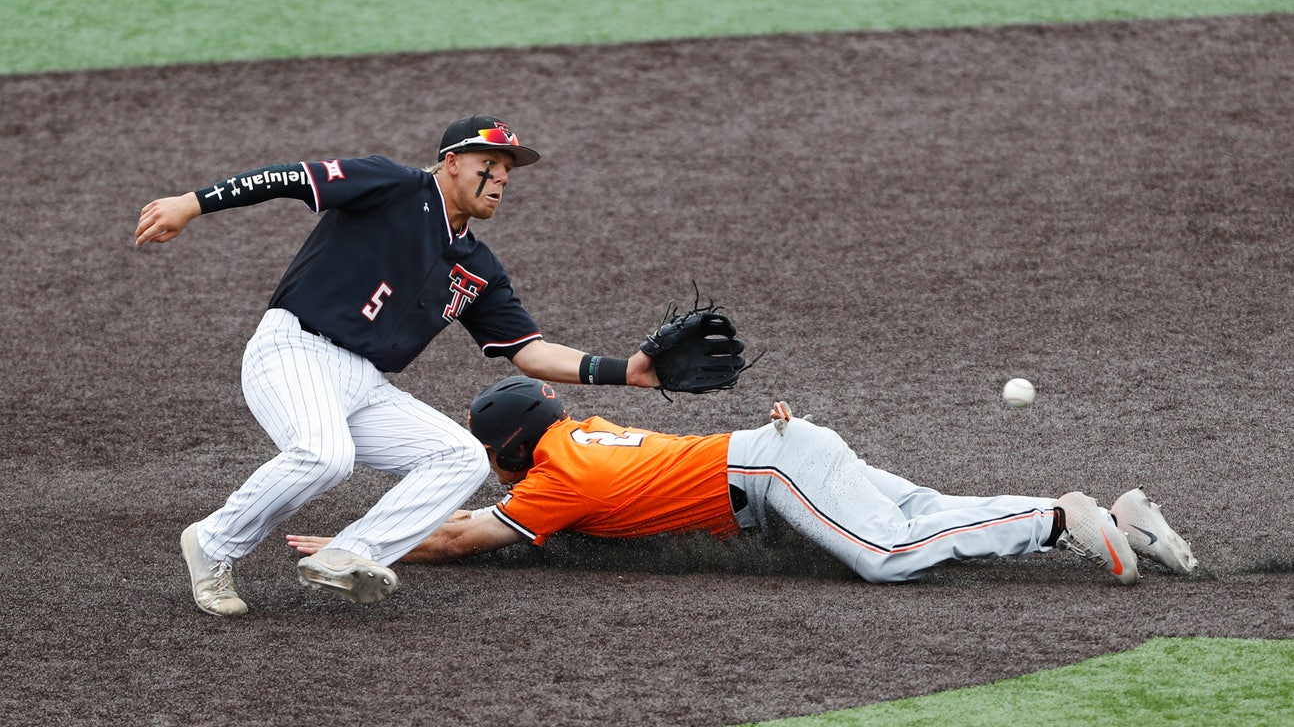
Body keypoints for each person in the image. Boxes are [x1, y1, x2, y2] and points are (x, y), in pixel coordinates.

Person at [135, 115, 662, 617]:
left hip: (364, 381)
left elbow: (529, 353)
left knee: (460, 457)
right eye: (491, 162)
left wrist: (629, 371)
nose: (502, 177)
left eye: (508, 169)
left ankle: (349, 553)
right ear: (453, 161)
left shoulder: (477, 265)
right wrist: (192, 203)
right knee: (325, 456)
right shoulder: (393, 185)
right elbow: (290, 177)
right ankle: (211, 543)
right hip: (294, 349)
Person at [288, 376, 1200, 585]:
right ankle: (1114, 515)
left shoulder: (552, 482)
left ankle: (1060, 520)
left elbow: (454, 535)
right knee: (917, 511)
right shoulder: (588, 431)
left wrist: (352, 546)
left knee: (886, 555)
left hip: (767, 468)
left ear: (508, 454)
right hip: (783, 448)